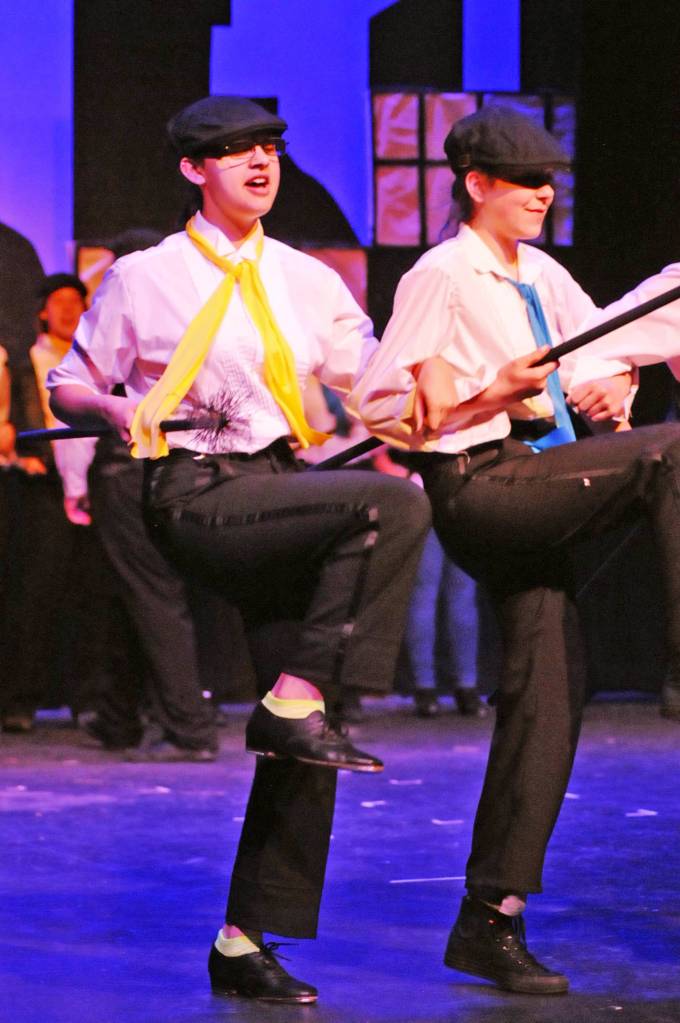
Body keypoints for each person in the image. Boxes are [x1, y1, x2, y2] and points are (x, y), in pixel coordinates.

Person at [48, 95, 431, 1003]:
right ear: (194, 169)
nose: (260, 164)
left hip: (280, 483)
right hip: (196, 490)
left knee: (308, 738)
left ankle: (242, 938)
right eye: (234, 152)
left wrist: (451, 391)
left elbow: (369, 381)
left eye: (270, 149)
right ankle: (300, 696)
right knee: (391, 510)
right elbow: (70, 381)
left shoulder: (306, 279)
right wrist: (113, 409)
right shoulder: (144, 276)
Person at [349, 104, 680, 995]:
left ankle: (488, 917)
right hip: (483, 488)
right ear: (477, 184)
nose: (543, 193)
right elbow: (380, 404)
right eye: (525, 179)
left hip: (545, 483)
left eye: (550, 180)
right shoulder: (444, 274)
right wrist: (489, 394)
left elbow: (597, 347)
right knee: (671, 454)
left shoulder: (540, 273)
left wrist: (609, 383)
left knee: (548, 696)